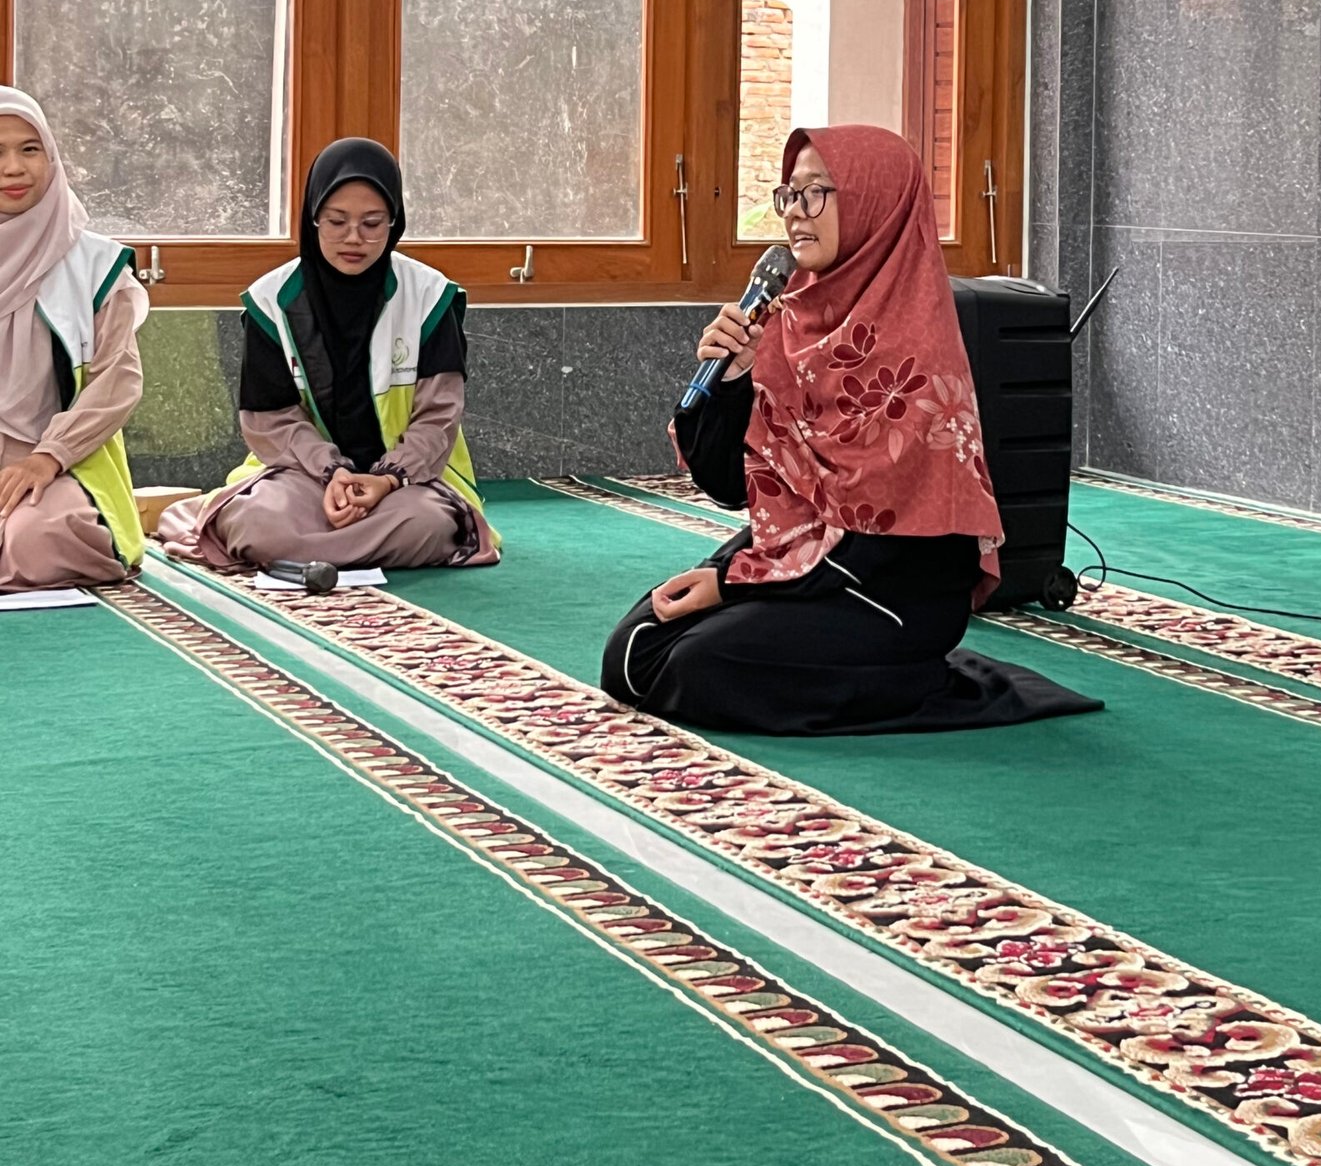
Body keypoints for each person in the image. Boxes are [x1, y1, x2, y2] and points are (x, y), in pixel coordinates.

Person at [601, 124, 1100, 735]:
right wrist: (731, 380)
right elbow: (730, 485)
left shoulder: (916, 357)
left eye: (817, 192)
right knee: (633, 651)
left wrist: (735, 586)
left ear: (873, 205)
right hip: (802, 550)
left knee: (699, 666)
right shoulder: (793, 319)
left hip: (893, 588)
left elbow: (883, 538)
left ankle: (904, 673)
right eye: (790, 193)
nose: (795, 212)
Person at [161, 140, 497, 574]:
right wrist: (331, 473)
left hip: (407, 483)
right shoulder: (272, 301)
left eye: (372, 223)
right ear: (313, 218)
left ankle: (304, 553)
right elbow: (270, 421)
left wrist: (385, 479)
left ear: (394, 223)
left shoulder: (429, 297)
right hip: (304, 475)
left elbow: (438, 418)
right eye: (337, 221)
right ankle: (338, 546)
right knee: (258, 523)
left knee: (428, 523)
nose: (353, 238)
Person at [0, 88, 146, 593]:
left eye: (30, 149)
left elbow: (117, 382)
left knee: (37, 538)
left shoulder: (95, 267)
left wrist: (49, 455)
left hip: (62, 463)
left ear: (52, 156)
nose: (14, 168)